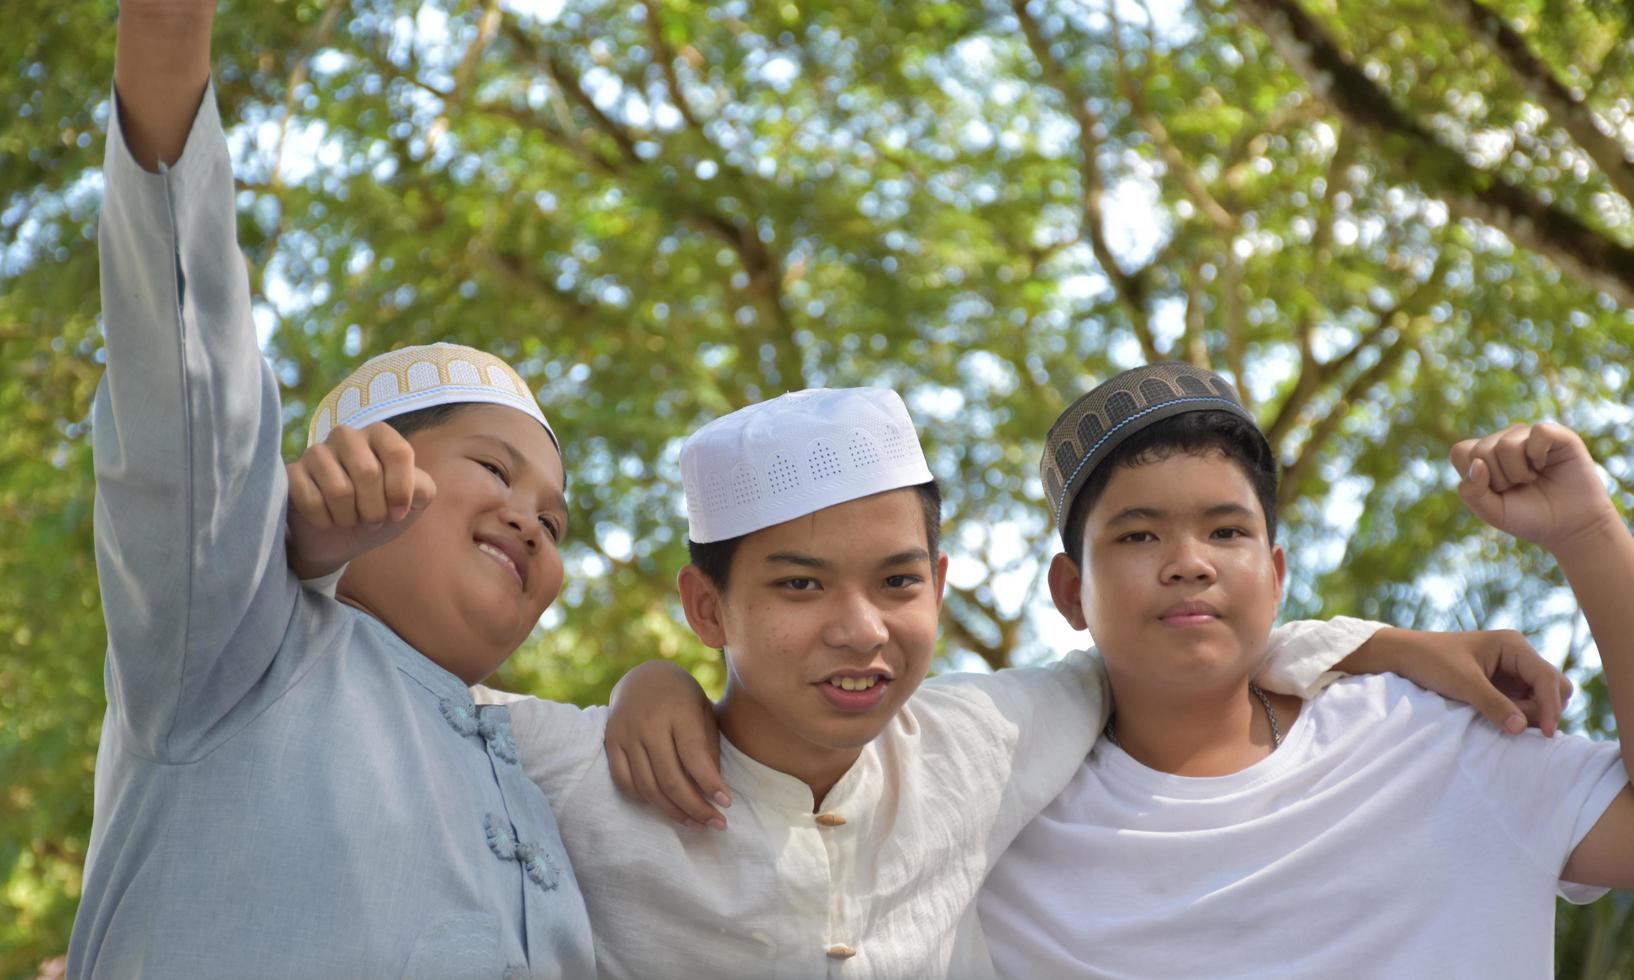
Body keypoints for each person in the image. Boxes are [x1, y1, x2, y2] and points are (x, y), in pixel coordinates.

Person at [289, 385, 1564, 978]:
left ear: (942, 582)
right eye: (796, 586)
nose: (862, 630)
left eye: (897, 582)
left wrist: (1368, 643)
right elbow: (366, 689)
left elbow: (1162, 639)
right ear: (704, 604)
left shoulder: (988, 736)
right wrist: (644, 686)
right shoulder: (570, 770)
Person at [69, 4, 592, 976]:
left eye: (556, 519)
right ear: (356, 459)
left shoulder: (542, 772)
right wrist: (168, 39)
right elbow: (190, 392)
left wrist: (657, 693)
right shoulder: (232, 648)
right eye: (492, 468)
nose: (530, 516)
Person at [976, 362, 1634, 977]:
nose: (1188, 563)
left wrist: (1588, 535)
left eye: (1227, 532)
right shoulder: (999, 831)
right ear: (1069, 592)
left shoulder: (1433, 739)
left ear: (1276, 577)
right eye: (1138, 535)